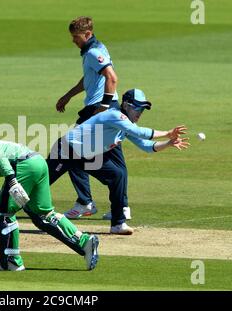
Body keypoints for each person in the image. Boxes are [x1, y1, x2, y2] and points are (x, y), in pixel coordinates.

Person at [0, 126, 99, 271]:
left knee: (2, 211)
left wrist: (12, 181)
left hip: (23, 166)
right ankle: (85, 242)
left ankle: (11, 261)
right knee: (42, 215)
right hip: (37, 163)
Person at [47, 89, 190, 235]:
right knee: (40, 181)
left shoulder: (125, 125)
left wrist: (168, 143)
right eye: (137, 107)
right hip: (66, 150)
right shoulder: (115, 115)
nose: (140, 112)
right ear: (126, 105)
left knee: (118, 174)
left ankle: (118, 223)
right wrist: (167, 132)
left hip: (86, 156)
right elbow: (140, 132)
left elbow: (147, 146)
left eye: (142, 109)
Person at [55, 16, 128, 220]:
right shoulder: (97, 48)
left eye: (76, 37)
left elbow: (112, 78)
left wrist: (103, 106)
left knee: (70, 151)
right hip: (109, 108)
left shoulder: (93, 52)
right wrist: (68, 95)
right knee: (116, 157)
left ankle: (84, 201)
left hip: (97, 109)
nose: (73, 41)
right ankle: (122, 207)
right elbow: (90, 78)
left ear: (87, 34)